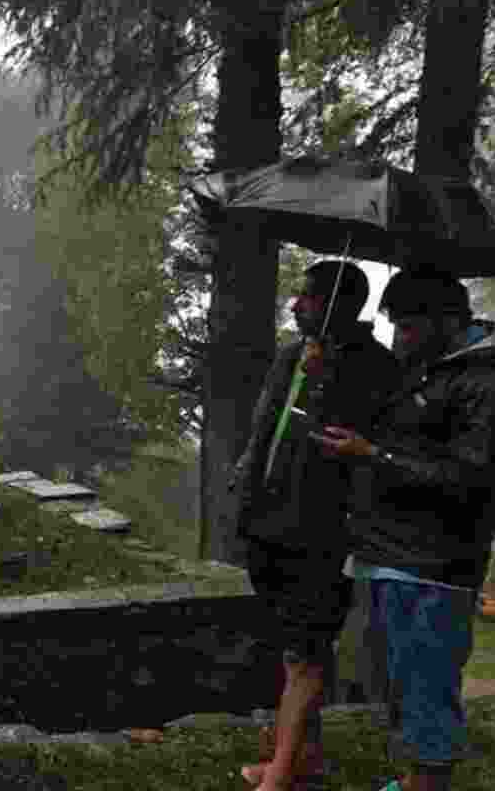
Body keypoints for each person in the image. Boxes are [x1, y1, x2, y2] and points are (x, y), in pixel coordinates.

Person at [311, 267, 495, 791]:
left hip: (434, 563)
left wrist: (375, 455)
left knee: (425, 685)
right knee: (396, 684)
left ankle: (428, 783)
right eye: (394, 325)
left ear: (448, 320)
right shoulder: (426, 369)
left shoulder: (483, 381)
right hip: (390, 549)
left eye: (408, 327)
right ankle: (413, 778)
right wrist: (323, 377)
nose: (398, 339)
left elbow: (469, 478)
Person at [231, 261, 400, 791]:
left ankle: (281, 775)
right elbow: (264, 428)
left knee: (306, 650)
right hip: (267, 522)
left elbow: (357, 444)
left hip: (322, 531)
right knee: (290, 648)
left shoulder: (375, 367)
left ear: (340, 305)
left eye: (307, 297)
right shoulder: (291, 355)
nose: (294, 304)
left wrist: (325, 377)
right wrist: (246, 483)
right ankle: (305, 755)